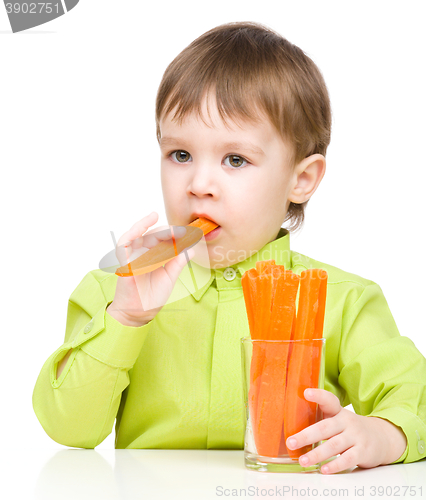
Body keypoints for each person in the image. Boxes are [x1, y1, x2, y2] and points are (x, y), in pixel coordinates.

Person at [32, 21, 426, 474]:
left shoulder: (345, 299)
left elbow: (411, 396)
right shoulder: (114, 294)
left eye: (235, 159)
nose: (199, 185)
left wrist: (385, 434)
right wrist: (125, 321)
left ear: (301, 179)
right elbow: (67, 428)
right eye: (180, 155)